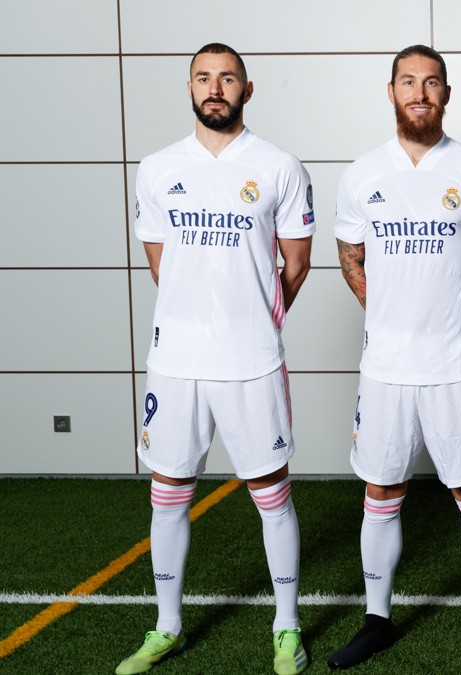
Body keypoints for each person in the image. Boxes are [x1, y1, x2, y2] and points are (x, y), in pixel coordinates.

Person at [118, 43, 315, 675]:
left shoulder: (279, 166)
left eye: (227, 78)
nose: (215, 88)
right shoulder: (157, 168)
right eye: (203, 77)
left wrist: (252, 317)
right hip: (175, 361)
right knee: (169, 492)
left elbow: (296, 262)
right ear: (189, 88)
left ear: (246, 90)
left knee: (270, 491)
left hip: (251, 361)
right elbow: (161, 264)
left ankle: (286, 627)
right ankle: (166, 627)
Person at [328, 44, 461, 673]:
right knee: (381, 489)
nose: (420, 92)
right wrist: (389, 316)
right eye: (408, 82)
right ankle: (376, 619)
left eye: (432, 82)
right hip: (385, 369)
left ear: (446, 93)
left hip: (456, 368)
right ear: (390, 92)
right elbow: (351, 259)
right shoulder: (361, 175)